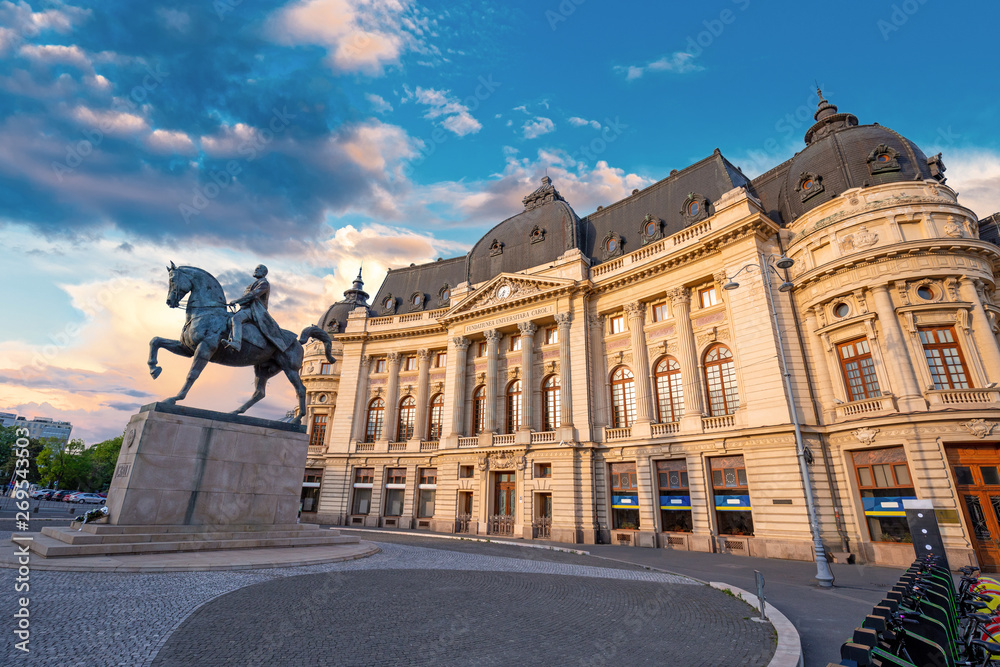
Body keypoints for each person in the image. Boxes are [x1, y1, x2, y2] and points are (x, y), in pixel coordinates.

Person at [223, 264, 289, 352]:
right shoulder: (253, 284)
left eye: (258, 269)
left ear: (264, 272)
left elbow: (253, 295)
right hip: (246, 308)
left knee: (236, 318)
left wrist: (237, 301)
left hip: (255, 310)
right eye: (255, 268)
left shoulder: (264, 283)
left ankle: (236, 343)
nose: (255, 270)